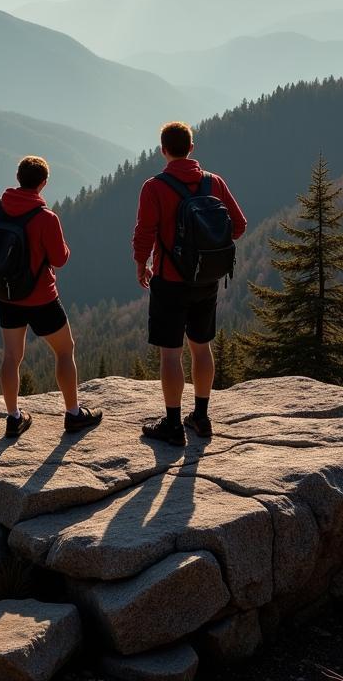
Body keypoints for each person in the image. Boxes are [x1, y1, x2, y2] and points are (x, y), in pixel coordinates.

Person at [132, 122, 247, 446]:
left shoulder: (154, 187)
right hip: (206, 279)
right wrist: (208, 248)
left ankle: (172, 424)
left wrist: (142, 264)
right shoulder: (214, 182)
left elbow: (145, 232)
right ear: (192, 149)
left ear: (163, 150)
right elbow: (238, 225)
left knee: (171, 354)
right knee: (201, 346)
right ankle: (201, 416)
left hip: (169, 278)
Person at [0, 156, 103, 438]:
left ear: (18, 177)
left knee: (11, 356)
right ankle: (73, 414)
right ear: (43, 183)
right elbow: (60, 259)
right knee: (64, 350)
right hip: (41, 298)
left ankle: (13, 417)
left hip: (6, 295)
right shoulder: (46, 218)